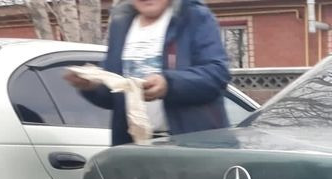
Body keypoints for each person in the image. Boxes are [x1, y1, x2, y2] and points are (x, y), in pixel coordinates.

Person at [66, 0, 231, 145]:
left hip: (191, 147)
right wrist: (92, 86)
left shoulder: (194, 17)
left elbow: (217, 74)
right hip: (136, 147)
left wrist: (168, 84)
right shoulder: (120, 25)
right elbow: (116, 96)